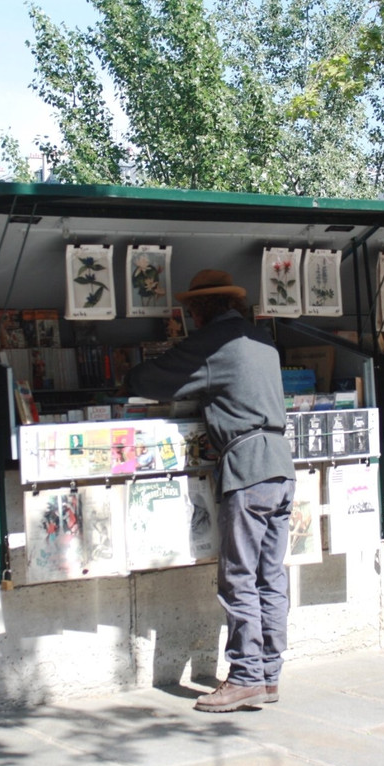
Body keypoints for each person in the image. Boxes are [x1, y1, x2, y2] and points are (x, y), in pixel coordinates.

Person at [124, 269, 296, 712]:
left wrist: (134, 367)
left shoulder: (213, 344)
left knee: (239, 575)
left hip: (248, 469)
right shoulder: (262, 342)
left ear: (199, 311)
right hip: (280, 465)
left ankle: (244, 678)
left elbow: (151, 381)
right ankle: (269, 675)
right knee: (270, 575)